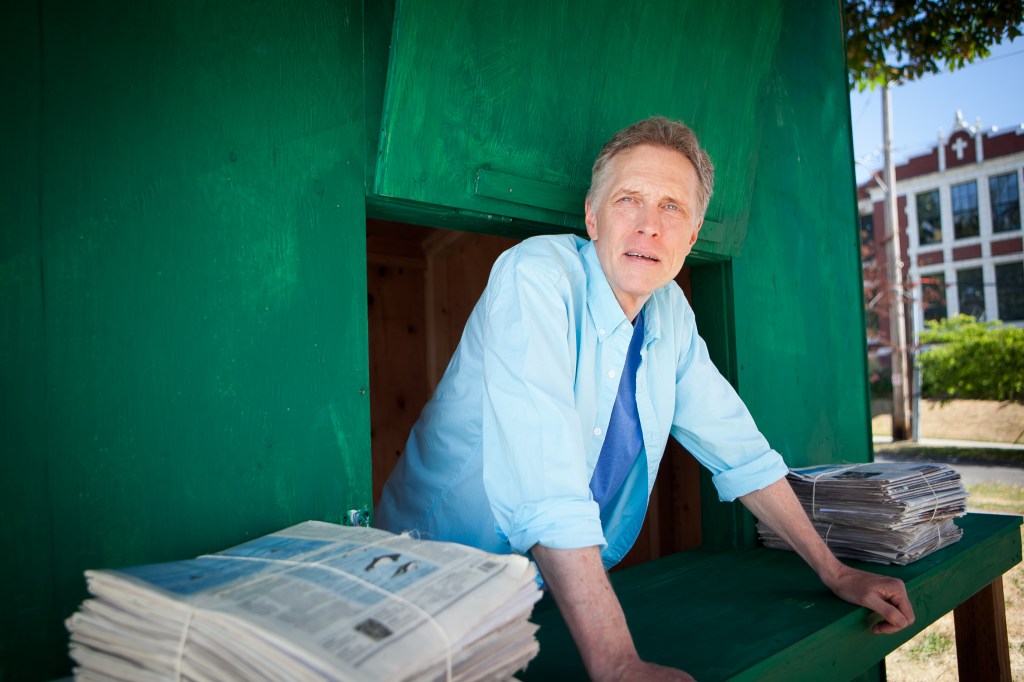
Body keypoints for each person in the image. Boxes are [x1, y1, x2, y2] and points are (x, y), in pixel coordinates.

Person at [376, 116, 914, 681]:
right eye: (629, 199)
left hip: (531, 591)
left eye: (671, 208)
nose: (648, 226)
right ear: (592, 215)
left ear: (693, 233)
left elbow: (741, 452)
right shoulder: (534, 276)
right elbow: (546, 484)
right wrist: (617, 664)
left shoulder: (670, 314)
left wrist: (835, 572)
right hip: (421, 577)